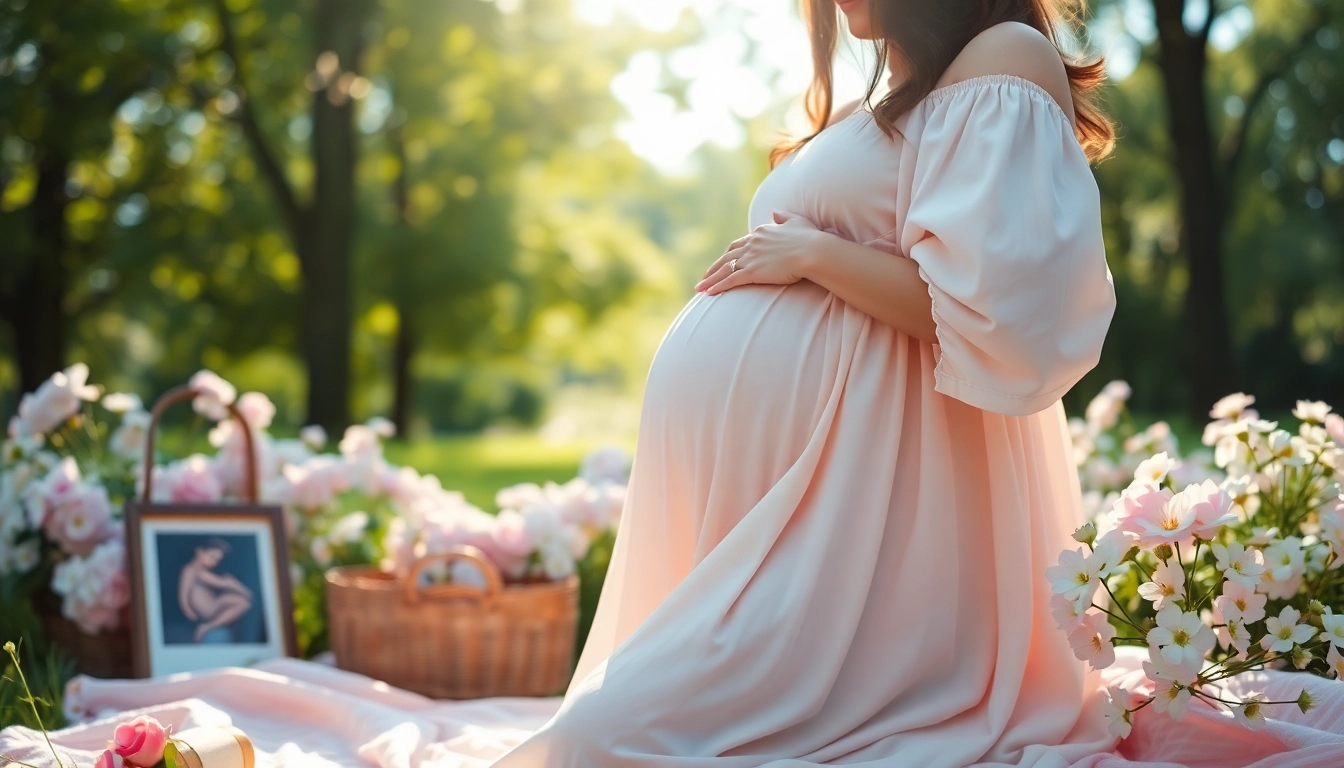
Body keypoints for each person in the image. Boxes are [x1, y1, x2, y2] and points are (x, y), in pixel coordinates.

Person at [494, 0, 1118, 763]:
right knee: (618, 730)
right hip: (800, 510)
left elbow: (996, 314)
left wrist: (811, 256)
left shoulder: (1006, 55)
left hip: (869, 515)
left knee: (607, 740)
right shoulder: (887, 101)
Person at [177, 537, 254, 643]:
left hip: (214, 604)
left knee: (243, 602)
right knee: (233, 589)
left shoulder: (202, 572)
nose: (214, 563)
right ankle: (207, 627)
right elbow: (183, 592)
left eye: (217, 561)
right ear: (199, 552)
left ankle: (209, 626)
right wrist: (187, 610)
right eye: (212, 557)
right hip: (208, 609)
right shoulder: (190, 570)